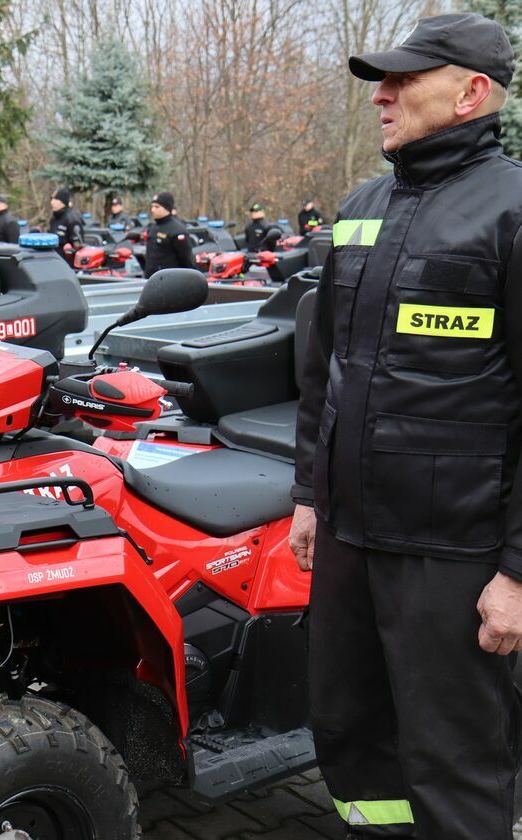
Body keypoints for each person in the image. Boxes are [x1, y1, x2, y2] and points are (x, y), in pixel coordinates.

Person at [289, 14, 522, 840]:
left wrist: (516, 574)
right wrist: (309, 497)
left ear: (471, 93)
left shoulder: (511, 211)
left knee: (453, 759)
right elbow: (324, 371)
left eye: (401, 80)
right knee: (350, 735)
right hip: (349, 541)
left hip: (452, 556)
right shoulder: (361, 207)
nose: (380, 97)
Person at [142, 191, 194, 277]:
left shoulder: (177, 230)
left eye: (157, 207)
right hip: (151, 279)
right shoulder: (152, 228)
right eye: (152, 206)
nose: (152, 210)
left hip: (170, 280)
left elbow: (186, 261)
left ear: (167, 208)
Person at [46, 188, 84, 262]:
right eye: (51, 199)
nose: (52, 202)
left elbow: (79, 247)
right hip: (53, 259)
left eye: (56, 199)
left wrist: (70, 250)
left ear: (63, 201)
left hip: (67, 263)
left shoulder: (72, 219)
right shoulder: (55, 218)